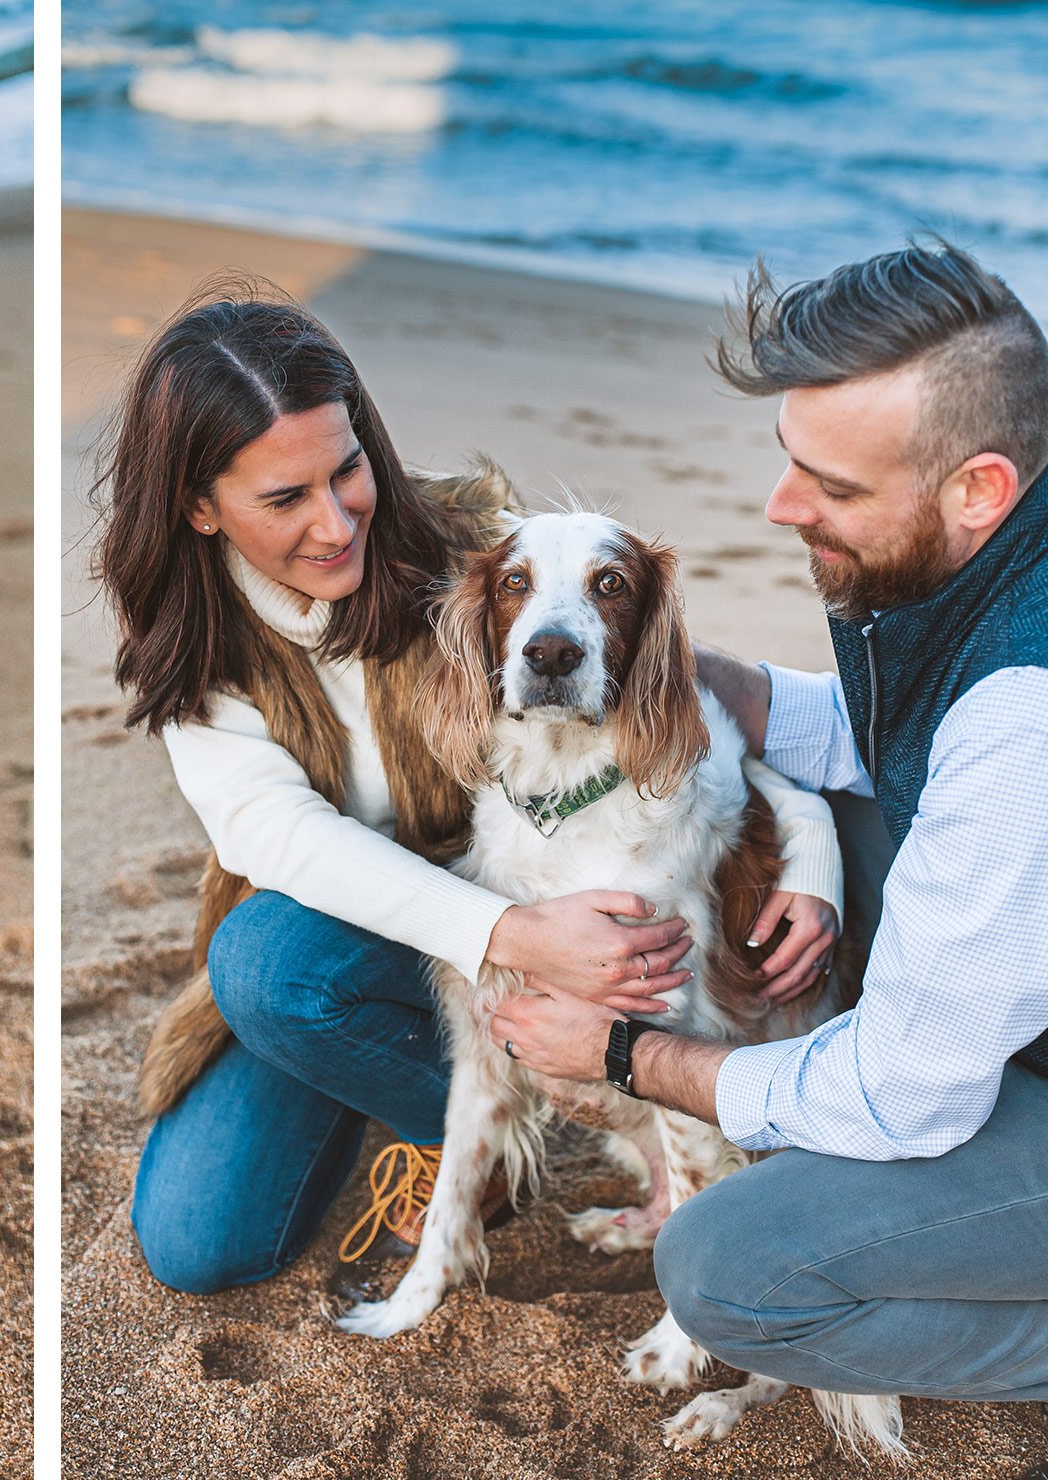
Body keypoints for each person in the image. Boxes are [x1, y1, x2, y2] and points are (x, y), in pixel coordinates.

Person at [92, 285, 844, 1295]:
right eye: (283, 499)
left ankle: (482, 1128)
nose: (333, 522)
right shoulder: (198, 657)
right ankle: (437, 1113)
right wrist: (517, 936)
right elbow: (287, 844)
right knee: (203, 1227)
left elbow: (680, 699)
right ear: (197, 506)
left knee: (274, 977)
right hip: (347, 956)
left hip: (522, 926)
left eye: (346, 469)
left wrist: (810, 842)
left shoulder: (475, 548)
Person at [495, 240, 1048, 1405]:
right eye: (791, 461)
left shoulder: (1022, 721)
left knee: (729, 1267)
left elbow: (902, 1094)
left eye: (832, 489)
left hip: (966, 1077)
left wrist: (622, 1054)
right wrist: (714, 686)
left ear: (977, 489)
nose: (778, 507)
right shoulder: (988, 558)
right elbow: (886, 740)